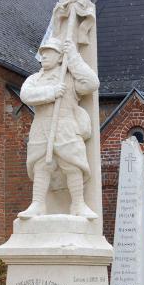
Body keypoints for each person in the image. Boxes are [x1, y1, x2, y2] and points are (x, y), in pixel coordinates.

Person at [18, 36, 99, 219]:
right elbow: (26, 95)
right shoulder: (35, 78)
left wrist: (74, 56)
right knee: (41, 165)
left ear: (60, 56)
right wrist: (52, 92)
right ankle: (38, 204)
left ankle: (78, 204)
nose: (44, 56)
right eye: (42, 53)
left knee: (72, 165)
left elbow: (91, 83)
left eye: (49, 52)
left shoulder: (70, 77)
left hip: (66, 125)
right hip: (41, 125)